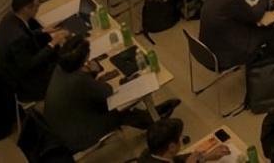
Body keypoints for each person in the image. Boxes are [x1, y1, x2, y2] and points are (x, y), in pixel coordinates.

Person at [45, 35, 178, 152]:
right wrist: (93, 71)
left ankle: (151, 116)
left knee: (117, 108)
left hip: (63, 124)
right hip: (77, 133)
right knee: (119, 111)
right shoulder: (79, 79)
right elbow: (107, 92)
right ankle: (155, 125)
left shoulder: (61, 67)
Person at [0, 0, 68, 100]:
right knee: (68, 61)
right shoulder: (18, 39)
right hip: (29, 84)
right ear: (26, 8)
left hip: (17, 70)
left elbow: (24, 35)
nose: (38, 7)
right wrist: (53, 43)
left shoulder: (10, 17)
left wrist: (43, 30)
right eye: (36, 5)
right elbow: (29, 65)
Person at [139, 117, 230, 163]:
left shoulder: (148, 153)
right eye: (180, 136)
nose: (182, 138)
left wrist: (205, 157)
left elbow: (176, 159)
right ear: (172, 147)